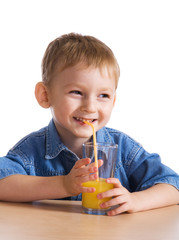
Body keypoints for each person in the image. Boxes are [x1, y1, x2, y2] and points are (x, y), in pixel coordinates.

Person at [0, 33, 178, 216]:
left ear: (114, 101)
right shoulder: (31, 150)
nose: (90, 107)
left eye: (103, 95)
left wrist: (135, 200)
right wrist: (63, 185)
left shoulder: (123, 149)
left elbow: (173, 185)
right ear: (45, 95)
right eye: (76, 92)